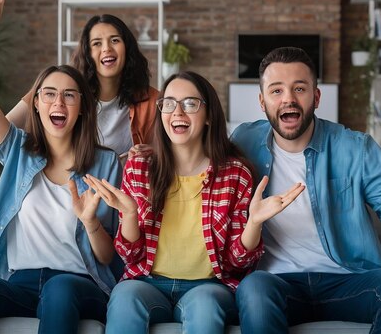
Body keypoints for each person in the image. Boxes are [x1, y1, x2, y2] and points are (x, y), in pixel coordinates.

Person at [0, 0, 121, 333]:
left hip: (79, 283)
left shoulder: (105, 163)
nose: (59, 103)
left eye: (70, 96)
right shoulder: (18, 151)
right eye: (50, 95)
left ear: (83, 110)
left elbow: (107, 257)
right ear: (37, 105)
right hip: (21, 283)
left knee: (59, 289)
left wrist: (90, 222)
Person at [84, 71, 305, 334]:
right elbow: (130, 255)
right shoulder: (139, 167)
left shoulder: (235, 174)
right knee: (125, 298)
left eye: (190, 103)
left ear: (209, 115)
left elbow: (238, 264)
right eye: (168, 103)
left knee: (204, 307)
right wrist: (130, 214)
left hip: (209, 286)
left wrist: (254, 223)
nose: (177, 111)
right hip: (147, 282)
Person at [231, 46, 381, 334]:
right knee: (253, 288)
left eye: (299, 88)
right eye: (276, 91)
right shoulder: (243, 141)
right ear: (262, 102)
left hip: (350, 279)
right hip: (277, 282)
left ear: (316, 96)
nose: (288, 98)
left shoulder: (355, 147)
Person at [6, 13, 159, 159]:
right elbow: (6, 128)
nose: (107, 48)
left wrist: (153, 153)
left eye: (115, 40)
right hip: (69, 182)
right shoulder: (60, 88)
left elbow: (172, 153)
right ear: (87, 53)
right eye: (97, 43)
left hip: (123, 185)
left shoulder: (153, 100)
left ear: (127, 48)